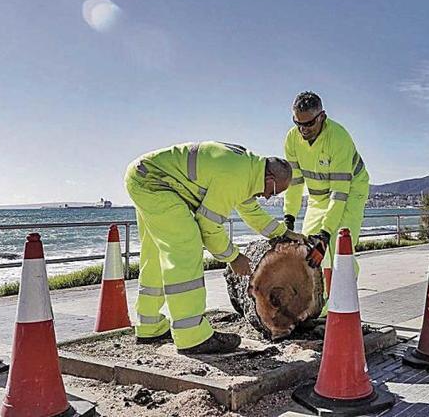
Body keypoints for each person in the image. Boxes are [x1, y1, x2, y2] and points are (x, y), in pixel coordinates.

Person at [125, 141, 305, 354]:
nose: (268, 197)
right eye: (273, 192)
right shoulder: (237, 176)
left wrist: (283, 233)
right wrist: (233, 257)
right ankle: (191, 336)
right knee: (186, 246)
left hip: (144, 176)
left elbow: (252, 213)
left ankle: (149, 326)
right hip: (154, 183)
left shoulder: (247, 170)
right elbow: (208, 224)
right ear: (269, 179)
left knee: (155, 254)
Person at [282, 92, 369, 314]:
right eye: (297, 123)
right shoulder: (292, 139)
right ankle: (317, 308)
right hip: (319, 197)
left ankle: (341, 306)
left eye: (309, 123)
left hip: (349, 193)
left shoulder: (339, 138)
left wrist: (326, 233)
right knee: (309, 250)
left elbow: (340, 193)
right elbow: (294, 183)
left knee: (339, 245)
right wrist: (289, 218)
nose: (303, 129)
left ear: (322, 116)